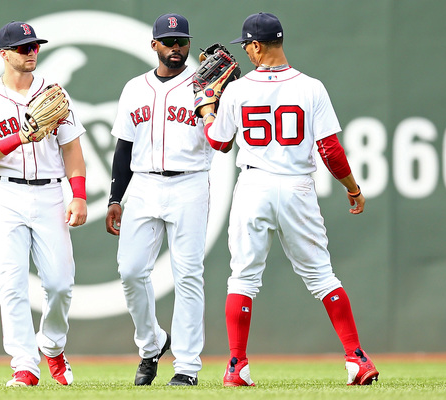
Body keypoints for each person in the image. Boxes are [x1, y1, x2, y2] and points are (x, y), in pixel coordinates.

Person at [199, 12, 380, 386]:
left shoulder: (238, 89)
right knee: (322, 276)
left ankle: (237, 366)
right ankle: (356, 359)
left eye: (246, 45)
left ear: (256, 45)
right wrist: (352, 188)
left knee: (243, 279)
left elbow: (218, 142)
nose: (245, 51)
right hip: (297, 186)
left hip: (254, 186)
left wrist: (206, 109)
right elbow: (329, 149)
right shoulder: (311, 86)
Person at [0, 21, 87, 387]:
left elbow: (72, 149)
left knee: (61, 284)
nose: (31, 52)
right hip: (5, 195)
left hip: (50, 193)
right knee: (12, 284)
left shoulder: (53, 93)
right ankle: (24, 365)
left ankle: (50, 344)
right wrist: (19, 137)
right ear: (4, 54)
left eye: (34, 46)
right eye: (23, 48)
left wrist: (78, 194)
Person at [105, 13, 213, 386]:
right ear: (154, 45)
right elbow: (124, 147)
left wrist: (216, 101)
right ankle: (152, 344)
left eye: (182, 41)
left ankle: (186, 366)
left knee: (188, 275)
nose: (176, 48)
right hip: (145, 185)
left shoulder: (204, 85)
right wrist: (115, 198)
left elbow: (222, 139)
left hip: (190, 184)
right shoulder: (135, 88)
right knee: (131, 271)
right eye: (168, 42)